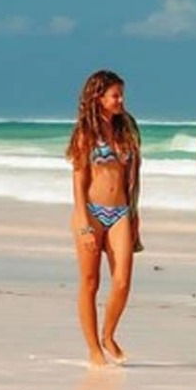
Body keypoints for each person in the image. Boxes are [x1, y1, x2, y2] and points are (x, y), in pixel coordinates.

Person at [65, 70, 143, 367]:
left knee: (122, 281)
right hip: (91, 212)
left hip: (121, 211)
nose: (121, 100)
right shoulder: (86, 133)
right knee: (90, 281)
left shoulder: (127, 129)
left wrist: (134, 214)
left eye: (121, 95)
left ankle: (108, 334)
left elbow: (132, 176)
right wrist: (84, 223)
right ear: (98, 97)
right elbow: (79, 182)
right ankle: (94, 349)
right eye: (115, 95)